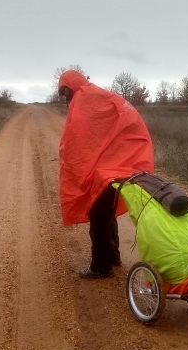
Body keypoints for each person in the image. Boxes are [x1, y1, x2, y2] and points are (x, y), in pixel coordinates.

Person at [57, 70, 154, 279]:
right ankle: (113, 257)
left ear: (71, 87)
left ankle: (101, 267)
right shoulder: (98, 94)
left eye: (65, 93)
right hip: (121, 164)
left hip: (109, 169)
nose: (66, 98)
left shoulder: (83, 99)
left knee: (98, 215)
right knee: (107, 211)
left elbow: (80, 137)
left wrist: (73, 161)